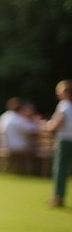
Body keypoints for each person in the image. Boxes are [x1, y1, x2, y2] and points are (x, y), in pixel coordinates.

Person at [46, 79, 72, 208]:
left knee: (60, 169)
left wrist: (49, 127)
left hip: (65, 141)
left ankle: (58, 197)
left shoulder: (64, 105)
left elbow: (59, 120)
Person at [0, 97, 40, 172]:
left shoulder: (4, 116)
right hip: (17, 147)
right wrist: (35, 121)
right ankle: (34, 171)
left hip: (4, 145)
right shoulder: (18, 118)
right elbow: (32, 130)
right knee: (35, 148)